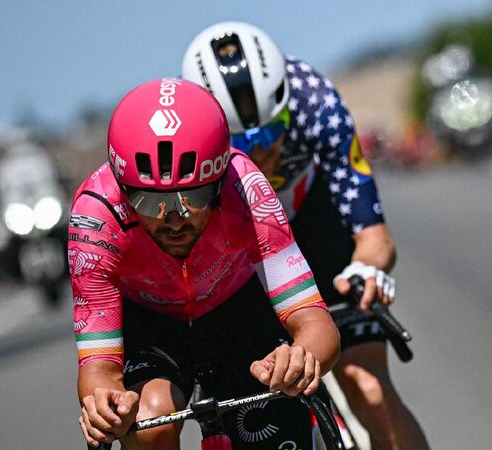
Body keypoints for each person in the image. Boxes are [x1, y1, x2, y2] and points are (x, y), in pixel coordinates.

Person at [182, 22, 429, 450]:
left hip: (315, 226)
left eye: (272, 130)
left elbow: (375, 237)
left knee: (370, 389)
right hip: (245, 254)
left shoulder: (314, 101)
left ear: (287, 108)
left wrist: (365, 269)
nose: (260, 149)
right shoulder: (188, 136)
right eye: (242, 141)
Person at [70, 78, 340, 450]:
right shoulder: (95, 216)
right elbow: (99, 368)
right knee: (149, 423)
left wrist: (300, 357)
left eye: (192, 198)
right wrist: (103, 403)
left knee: (277, 408)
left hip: (238, 312)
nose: (173, 220)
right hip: (152, 326)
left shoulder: (245, 188)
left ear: (218, 182)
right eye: (150, 202)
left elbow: (314, 322)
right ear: (123, 190)